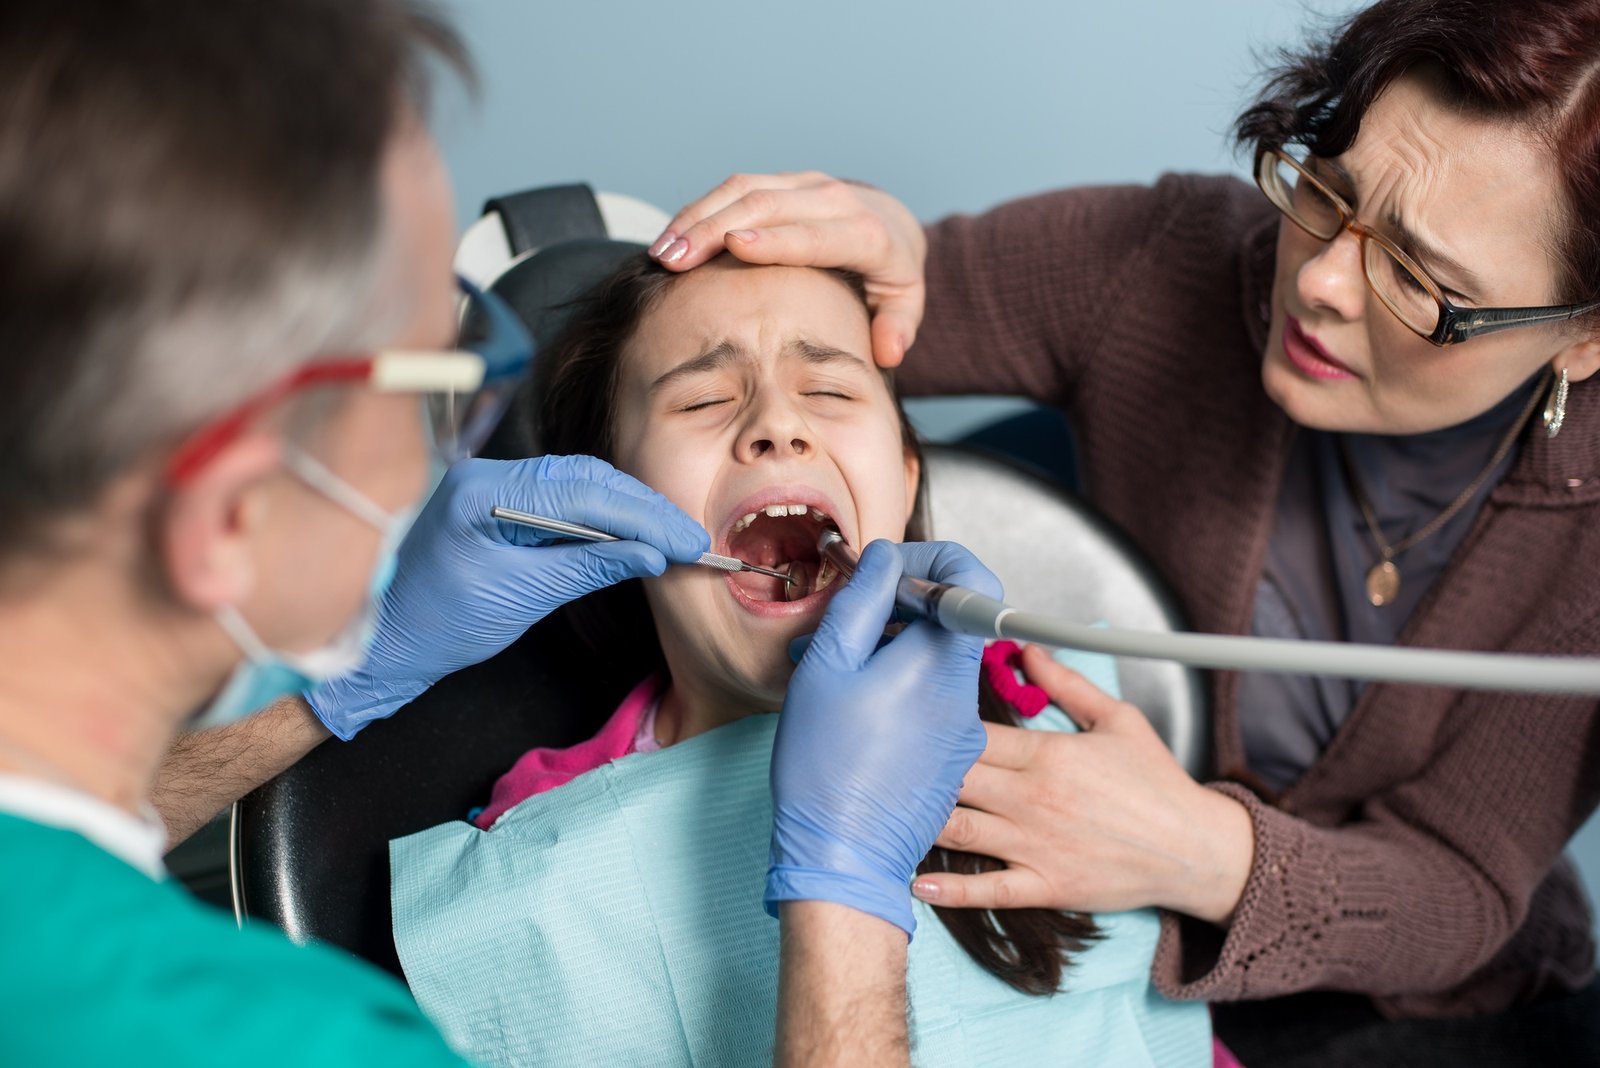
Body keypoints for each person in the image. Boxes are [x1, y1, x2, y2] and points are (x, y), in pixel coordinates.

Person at [0, 3, 995, 1065]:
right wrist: (846, 893)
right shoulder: (303, 1039)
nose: (777, 424)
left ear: (907, 467)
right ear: (232, 513)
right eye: (440, 379)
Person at [647, 0, 1600, 1063]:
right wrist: (859, 262)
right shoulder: (1165, 262)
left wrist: (1202, 855)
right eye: (1326, 191)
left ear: (1581, 336)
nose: (1323, 281)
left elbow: (1461, 885)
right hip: (1090, 945)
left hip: (1423, 1013)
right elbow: (843, 332)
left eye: (1421, 282)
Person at [386, 252, 1214, 1065]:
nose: (778, 425)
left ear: (903, 474)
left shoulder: (1054, 725)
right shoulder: (541, 857)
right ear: (608, 502)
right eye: (704, 397)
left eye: (829, 390)